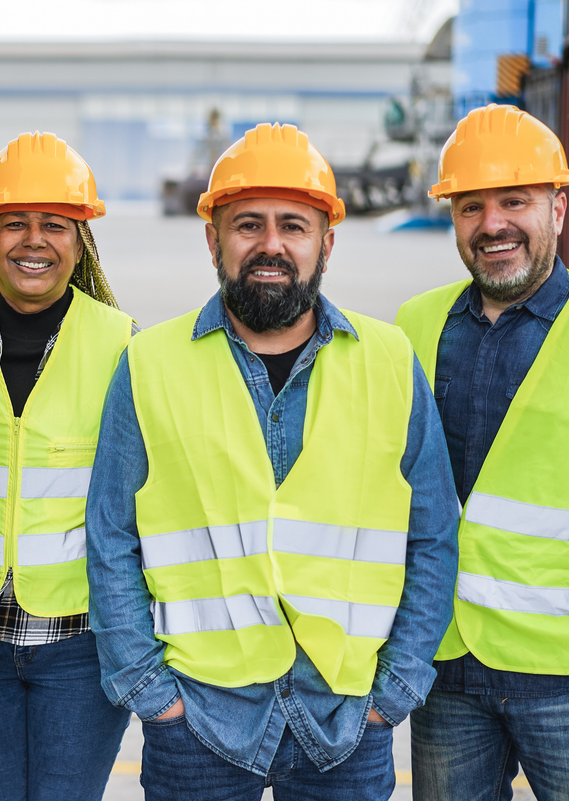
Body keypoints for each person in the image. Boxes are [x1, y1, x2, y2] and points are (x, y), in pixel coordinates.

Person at [85, 122, 459, 801]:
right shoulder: (148, 364)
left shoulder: (389, 360)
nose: (270, 244)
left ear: (326, 241)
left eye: (293, 225)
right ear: (212, 239)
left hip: (345, 720)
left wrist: (394, 691)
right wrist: (149, 694)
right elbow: (110, 537)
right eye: (246, 224)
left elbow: (432, 535)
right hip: (197, 717)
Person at [397, 104, 569, 801]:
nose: (491, 224)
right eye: (469, 206)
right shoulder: (415, 324)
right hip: (446, 667)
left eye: (513, 200)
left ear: (557, 205)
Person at [0, 132, 132, 800]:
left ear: (80, 240)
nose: (33, 240)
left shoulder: (120, 342)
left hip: (80, 649)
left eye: (54, 224)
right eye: (14, 222)